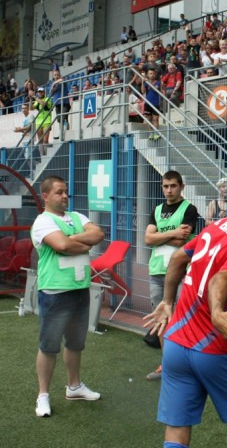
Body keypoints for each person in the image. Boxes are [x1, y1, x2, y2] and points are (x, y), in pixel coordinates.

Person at [144, 167, 227, 448]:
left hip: (175, 344)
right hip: (214, 348)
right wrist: (217, 314)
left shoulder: (218, 225)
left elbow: (178, 258)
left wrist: (167, 302)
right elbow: (220, 279)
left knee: (177, 429)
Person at [31, 175, 105, 417]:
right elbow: (61, 246)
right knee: (49, 346)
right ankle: (43, 395)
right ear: (45, 196)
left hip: (80, 289)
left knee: (75, 343)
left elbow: (98, 234)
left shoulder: (77, 217)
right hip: (55, 291)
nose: (65, 196)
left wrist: (71, 239)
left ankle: (74, 387)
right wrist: (80, 242)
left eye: (66, 192)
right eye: (59, 192)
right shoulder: (43, 221)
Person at [144, 170, 198, 381]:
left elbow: (181, 239)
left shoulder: (189, 209)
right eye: (165, 186)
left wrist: (159, 235)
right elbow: (148, 239)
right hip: (157, 270)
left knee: (183, 319)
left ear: (182, 187)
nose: (169, 190)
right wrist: (172, 233)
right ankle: (167, 365)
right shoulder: (157, 210)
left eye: (173, 186)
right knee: (162, 319)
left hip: (181, 272)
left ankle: (185, 365)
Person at [32, 86, 53, 156]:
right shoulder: (37, 100)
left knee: (45, 140)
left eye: (41, 92)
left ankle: (46, 154)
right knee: (40, 140)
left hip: (47, 120)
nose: (40, 93)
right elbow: (31, 108)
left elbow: (43, 104)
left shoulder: (47, 98)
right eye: (39, 92)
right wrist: (30, 98)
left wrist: (34, 97)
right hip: (39, 121)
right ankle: (42, 155)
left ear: (44, 92)